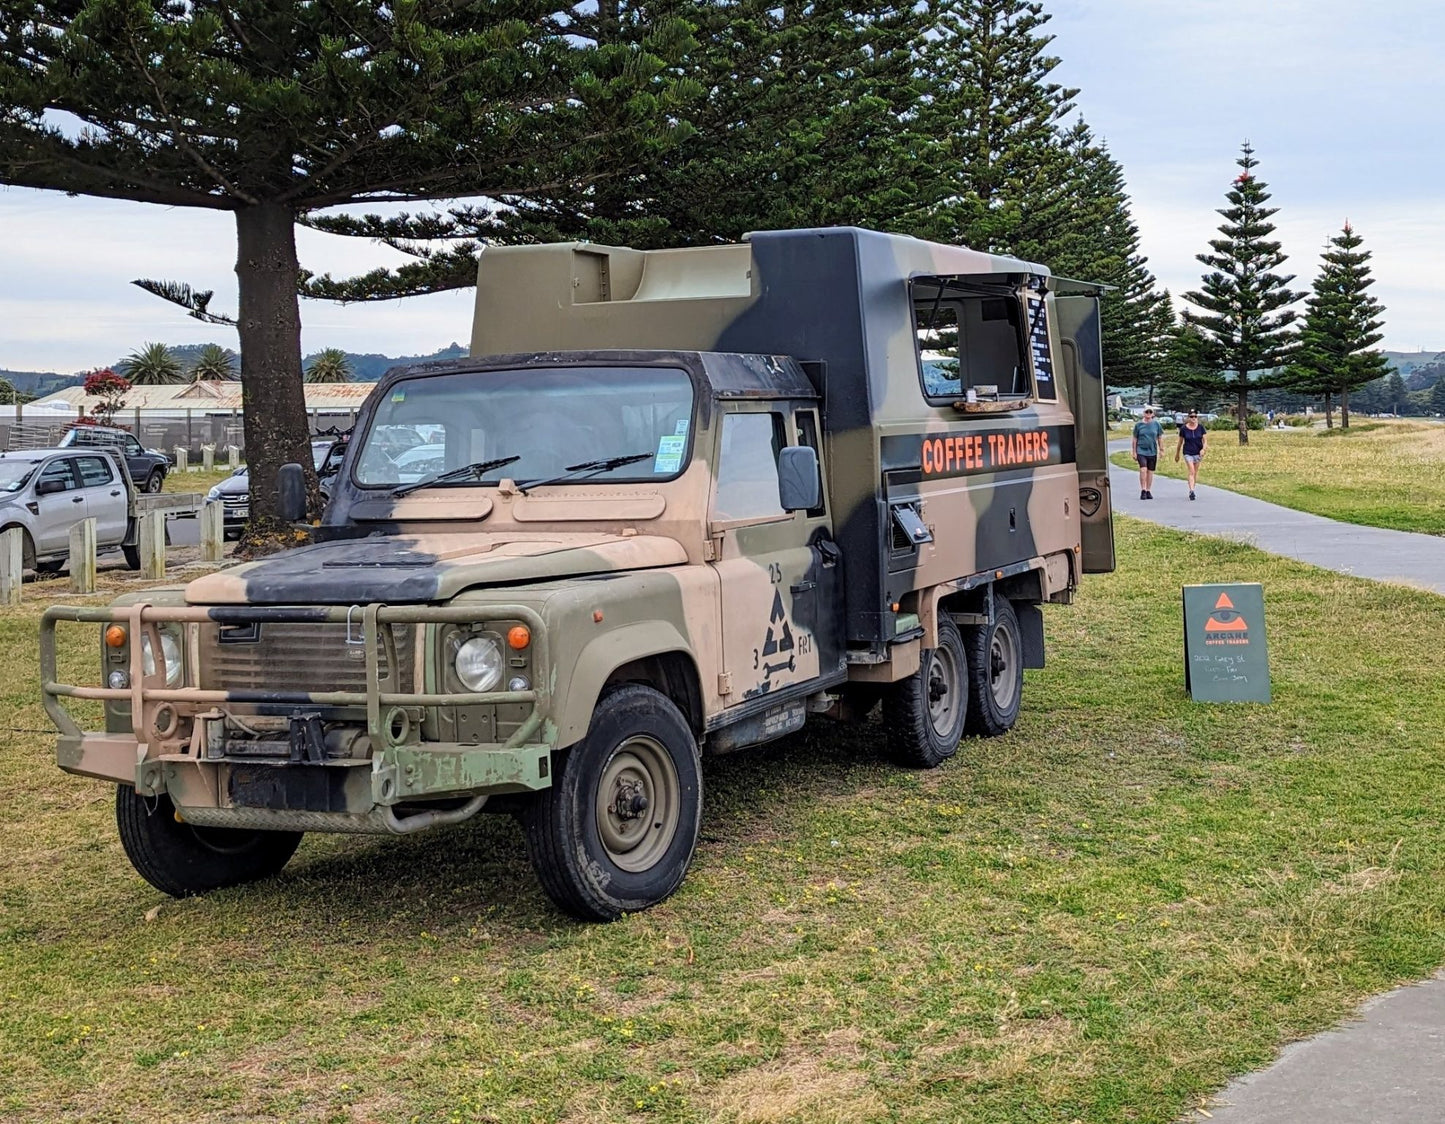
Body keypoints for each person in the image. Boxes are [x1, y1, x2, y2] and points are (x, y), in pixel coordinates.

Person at [1131, 407, 1163, 499]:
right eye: (1146, 412)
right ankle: (1143, 489)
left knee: (1150, 471)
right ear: (1143, 413)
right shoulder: (1139, 425)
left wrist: (1161, 450)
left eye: (1150, 412)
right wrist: (1134, 452)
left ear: (1153, 414)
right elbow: (1135, 439)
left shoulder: (1156, 424)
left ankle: (1148, 490)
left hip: (1152, 450)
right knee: (1143, 469)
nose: (1148, 413)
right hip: (1141, 450)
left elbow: (1160, 437)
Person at [1175, 409, 1207, 500]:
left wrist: (1203, 449)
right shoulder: (1184, 429)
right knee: (1191, 470)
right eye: (1191, 416)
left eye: (1195, 416)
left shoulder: (1201, 428)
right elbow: (1180, 442)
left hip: (1198, 452)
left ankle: (1193, 487)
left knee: (1195, 472)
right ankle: (1191, 490)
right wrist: (1177, 454)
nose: (1193, 418)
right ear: (1188, 418)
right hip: (1188, 452)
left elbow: (1205, 441)